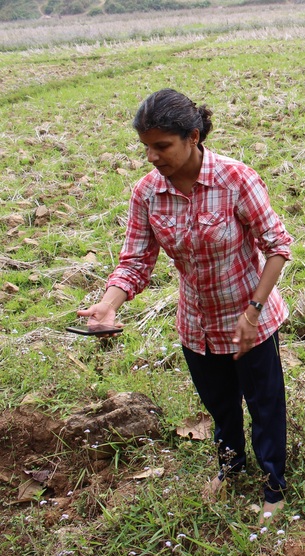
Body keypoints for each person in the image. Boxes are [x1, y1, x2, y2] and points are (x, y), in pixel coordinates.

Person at [77, 89, 292, 524]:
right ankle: (230, 468)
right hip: (197, 324)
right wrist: (107, 304)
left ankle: (274, 487)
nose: (153, 157)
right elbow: (136, 260)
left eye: (162, 146)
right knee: (220, 407)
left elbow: (278, 248)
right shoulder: (148, 193)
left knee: (265, 406)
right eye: (146, 148)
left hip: (251, 318)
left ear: (192, 137)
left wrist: (252, 313)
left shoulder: (236, 179)